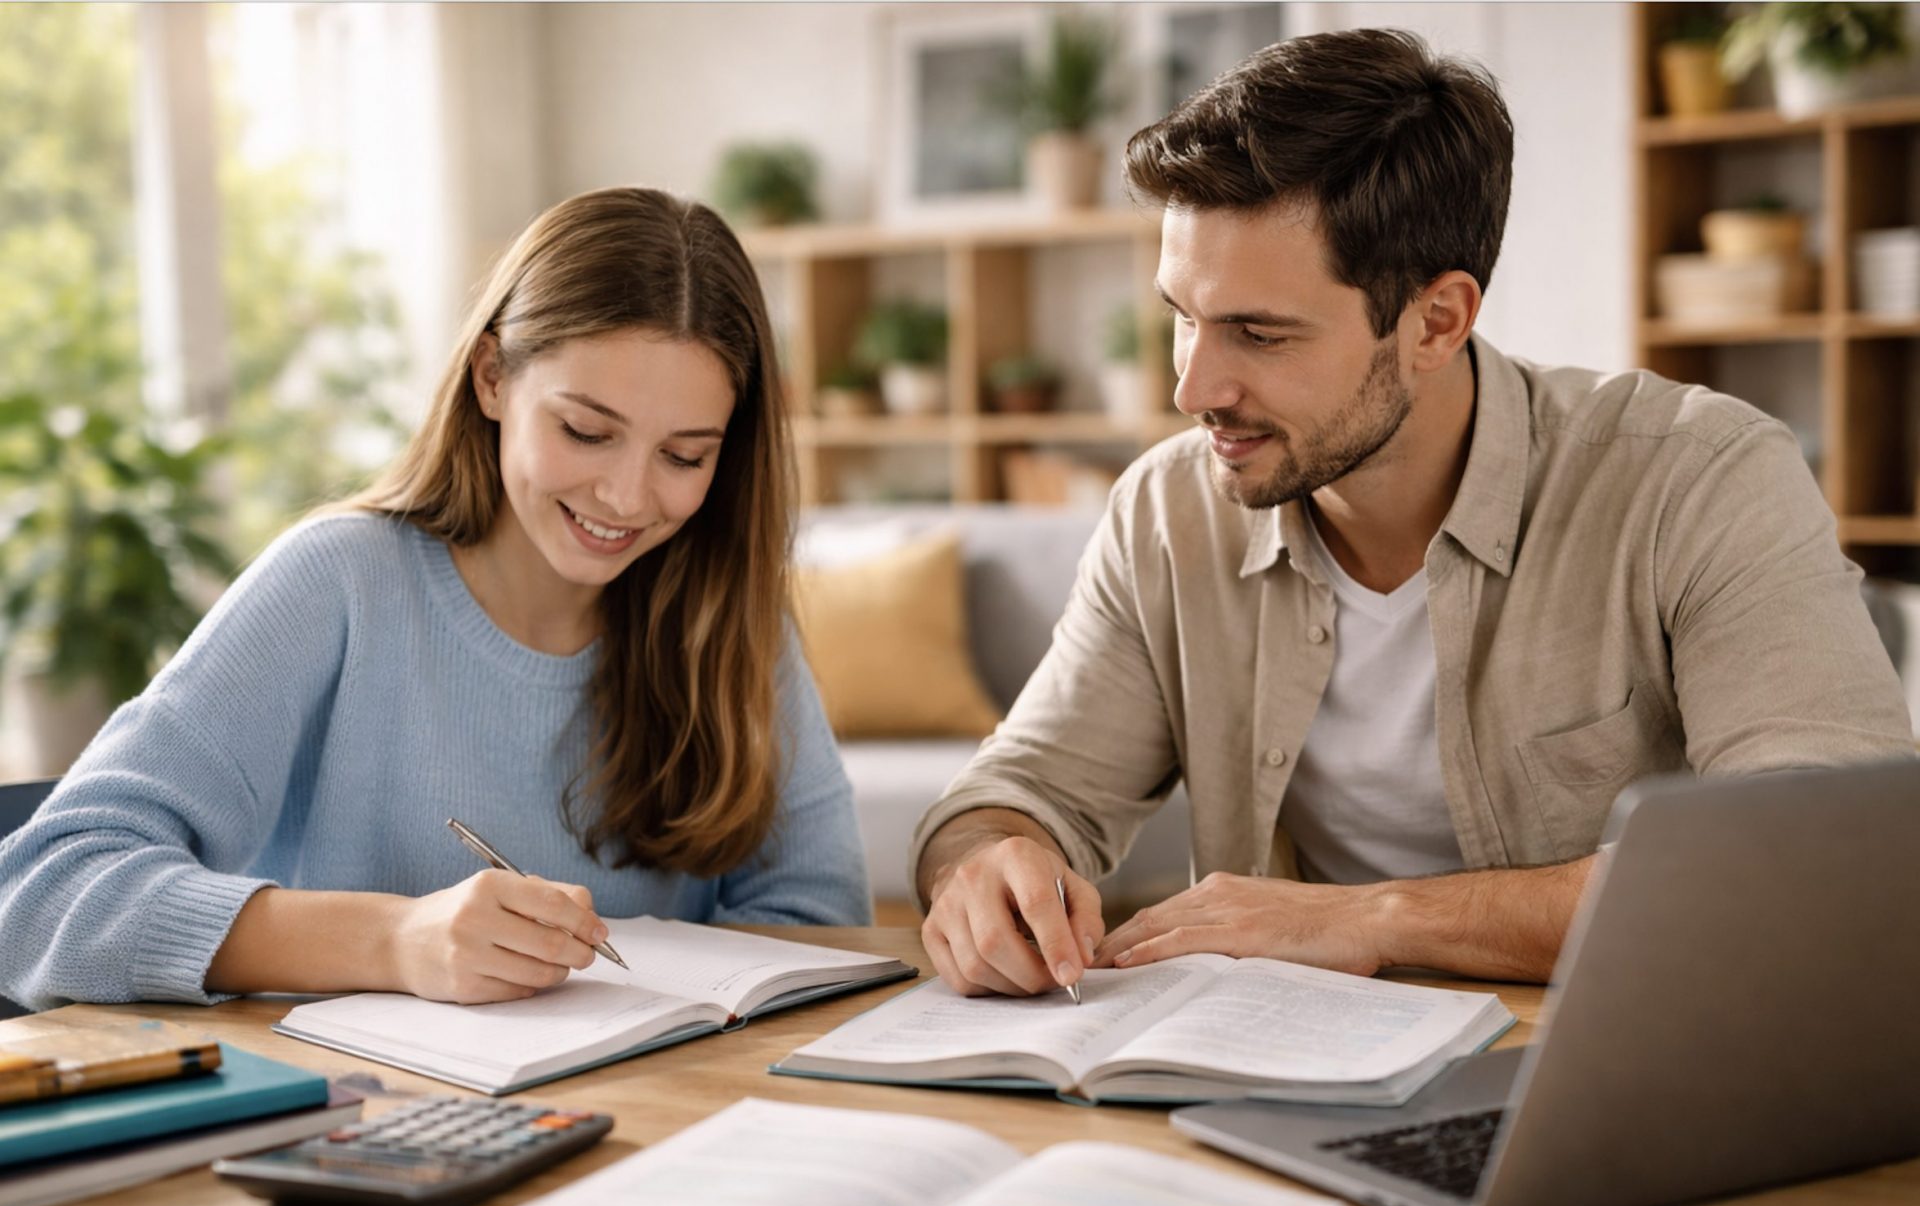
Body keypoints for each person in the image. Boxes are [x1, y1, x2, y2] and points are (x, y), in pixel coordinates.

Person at [913, 29, 1914, 998]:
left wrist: (1376, 920)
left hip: (1614, 1062)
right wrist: (990, 861)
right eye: (1184, 316)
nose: (1193, 386)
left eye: (1257, 333)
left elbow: (1827, 864)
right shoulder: (1168, 512)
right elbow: (1020, 790)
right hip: (1284, 1067)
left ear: (1437, 320)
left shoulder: (1696, 478)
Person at [0, 187, 869, 1012]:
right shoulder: (337, 583)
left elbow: (819, 925)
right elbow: (40, 896)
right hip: (356, 1126)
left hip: (640, 1124)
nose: (628, 497)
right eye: (586, 431)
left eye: (685, 455)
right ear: (493, 376)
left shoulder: (725, 616)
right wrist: (394, 939)